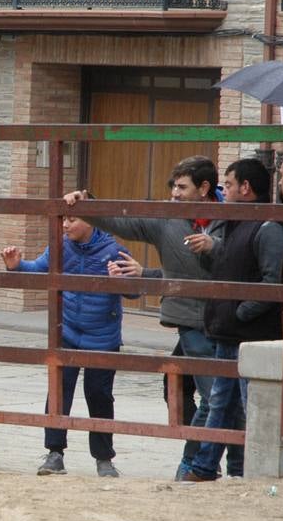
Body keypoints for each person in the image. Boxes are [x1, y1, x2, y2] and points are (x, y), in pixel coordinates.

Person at [65, 155, 234, 480]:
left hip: (226, 319)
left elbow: (242, 256)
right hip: (190, 319)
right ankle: (199, 462)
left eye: (182, 188)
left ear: (204, 188)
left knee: (218, 396)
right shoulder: (167, 219)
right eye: (173, 187)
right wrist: (86, 206)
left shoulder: (231, 216)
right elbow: (122, 222)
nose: (174, 194)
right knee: (195, 391)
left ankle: (207, 464)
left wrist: (213, 246)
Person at [180, 158, 283, 482]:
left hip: (249, 334)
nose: (223, 191)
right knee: (220, 402)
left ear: (246, 187)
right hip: (228, 332)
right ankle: (205, 467)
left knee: (245, 403)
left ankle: (245, 470)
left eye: (228, 185)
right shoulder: (233, 223)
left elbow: (272, 283)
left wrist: (241, 312)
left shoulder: (268, 228)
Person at [2, 216, 131, 478]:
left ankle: (104, 458)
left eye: (72, 219)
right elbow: (39, 268)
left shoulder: (114, 250)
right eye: (64, 219)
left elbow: (136, 291)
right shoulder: (60, 247)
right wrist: (17, 266)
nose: (65, 225)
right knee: (58, 392)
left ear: (91, 221)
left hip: (103, 337)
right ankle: (54, 453)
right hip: (68, 333)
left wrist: (122, 280)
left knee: (99, 395)